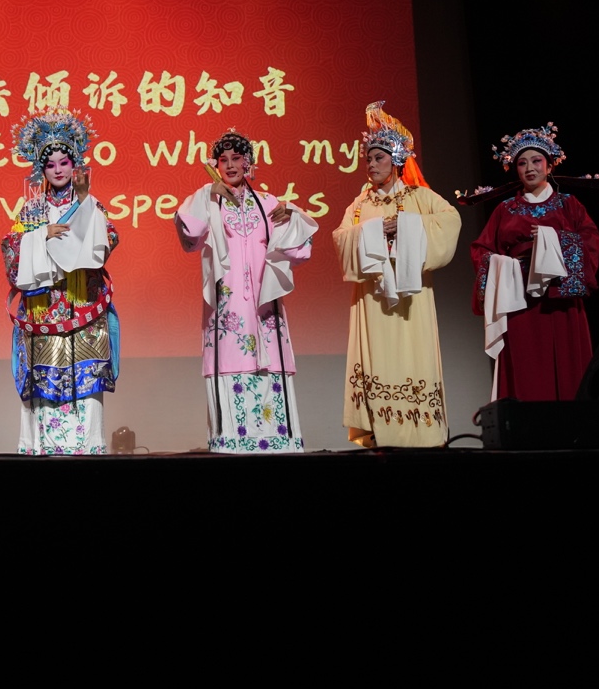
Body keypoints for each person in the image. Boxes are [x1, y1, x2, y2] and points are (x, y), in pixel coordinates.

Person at [175, 129, 318, 453]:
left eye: (236, 159)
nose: (229, 165)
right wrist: (207, 193)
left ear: (248, 163)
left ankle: (277, 439)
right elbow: (190, 236)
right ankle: (232, 440)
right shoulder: (209, 200)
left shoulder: (267, 203)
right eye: (223, 160)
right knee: (229, 356)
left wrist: (292, 215)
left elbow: (300, 251)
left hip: (263, 304)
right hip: (228, 305)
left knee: (270, 358)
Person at [333, 101, 461, 448]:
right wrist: (373, 232)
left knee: (412, 355)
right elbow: (341, 237)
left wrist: (405, 226)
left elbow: (450, 221)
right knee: (377, 358)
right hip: (373, 299)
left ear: (396, 161)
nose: (371, 165)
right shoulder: (360, 204)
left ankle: (421, 431)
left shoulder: (420, 196)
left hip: (411, 299)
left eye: (379, 158)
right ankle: (378, 428)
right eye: (369, 159)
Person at [2, 108, 118, 455]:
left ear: (75, 164)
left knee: (87, 383)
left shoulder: (90, 204)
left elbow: (109, 238)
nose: (57, 170)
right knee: (45, 384)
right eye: (50, 164)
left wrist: (84, 202)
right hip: (44, 311)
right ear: (41, 169)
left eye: (63, 163)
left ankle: (87, 447)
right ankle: (44, 448)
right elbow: (11, 251)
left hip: (83, 308)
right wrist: (40, 236)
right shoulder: (31, 210)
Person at [470, 123, 599, 401]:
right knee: (526, 366)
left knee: (567, 362)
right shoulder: (505, 209)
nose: (529, 168)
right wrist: (503, 265)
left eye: (536, 161)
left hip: (560, 297)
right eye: (522, 163)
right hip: (519, 298)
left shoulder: (569, 205)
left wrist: (553, 240)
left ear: (549, 166)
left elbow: (589, 241)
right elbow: (482, 250)